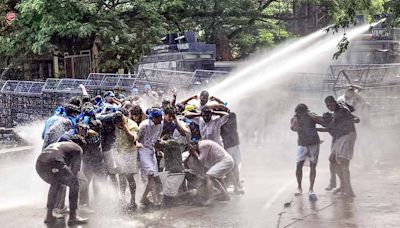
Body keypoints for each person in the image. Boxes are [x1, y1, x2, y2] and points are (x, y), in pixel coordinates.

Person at [35, 141, 88, 225]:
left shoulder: (63, 145)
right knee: (74, 184)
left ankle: (49, 216)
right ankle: (73, 217)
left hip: (39, 164)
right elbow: (75, 172)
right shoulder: (78, 149)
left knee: (56, 182)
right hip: (54, 162)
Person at [324, 96, 359, 198]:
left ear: (335, 102)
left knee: (344, 163)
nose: (330, 107)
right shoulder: (335, 113)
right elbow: (330, 128)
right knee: (332, 159)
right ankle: (343, 185)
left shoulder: (343, 110)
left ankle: (349, 191)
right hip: (340, 137)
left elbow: (353, 117)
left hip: (348, 135)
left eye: (331, 104)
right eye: (328, 106)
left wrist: (355, 119)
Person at [290, 104, 323, 197]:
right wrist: (297, 118)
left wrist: (313, 116)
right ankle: (299, 187)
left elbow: (322, 121)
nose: (301, 115)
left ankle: (311, 189)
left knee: (313, 165)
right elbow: (293, 128)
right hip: (302, 144)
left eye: (302, 113)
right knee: (298, 165)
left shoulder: (312, 116)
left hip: (314, 143)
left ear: (306, 112)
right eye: (298, 113)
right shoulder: (295, 119)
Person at [188, 140, 234, 206]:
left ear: (194, 145)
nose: (190, 150)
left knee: (209, 176)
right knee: (218, 177)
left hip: (225, 161)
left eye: (191, 148)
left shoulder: (202, 145)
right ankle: (225, 195)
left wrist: (194, 152)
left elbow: (201, 160)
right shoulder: (204, 144)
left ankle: (210, 200)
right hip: (227, 161)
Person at [115, 110, 140, 211]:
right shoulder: (116, 123)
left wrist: (125, 128)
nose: (117, 125)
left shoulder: (132, 125)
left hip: (130, 153)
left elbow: (133, 138)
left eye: (119, 123)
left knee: (130, 177)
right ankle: (122, 198)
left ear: (123, 120)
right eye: (116, 124)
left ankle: (133, 201)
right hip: (120, 152)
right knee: (121, 176)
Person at [137, 108, 163, 207]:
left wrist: (159, 147)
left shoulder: (160, 124)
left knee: (154, 175)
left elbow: (157, 139)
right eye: (160, 117)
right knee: (151, 174)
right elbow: (137, 140)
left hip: (152, 150)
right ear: (154, 118)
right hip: (143, 150)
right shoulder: (144, 125)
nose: (161, 119)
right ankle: (156, 200)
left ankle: (143, 198)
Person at [221, 112, 244, 194]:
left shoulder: (231, 116)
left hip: (230, 146)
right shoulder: (220, 119)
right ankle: (236, 185)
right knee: (233, 166)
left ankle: (236, 185)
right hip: (229, 146)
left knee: (232, 166)